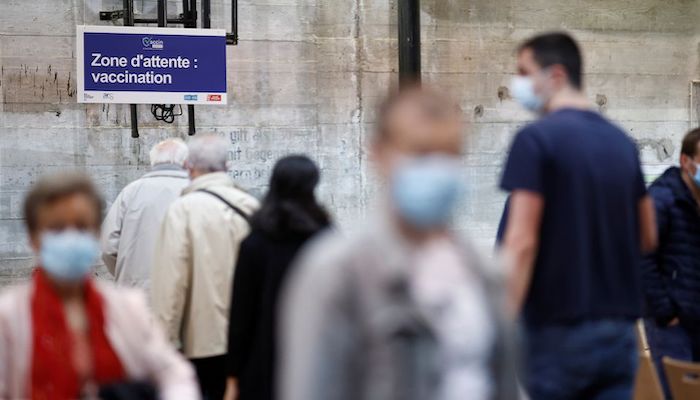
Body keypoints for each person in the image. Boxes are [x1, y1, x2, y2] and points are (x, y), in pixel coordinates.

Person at [279, 87, 519, 400]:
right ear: (379, 153)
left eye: (450, 153)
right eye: (421, 153)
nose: (437, 168)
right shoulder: (337, 272)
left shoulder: (484, 269)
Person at [499, 32, 657, 399]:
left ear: (555, 75)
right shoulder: (622, 142)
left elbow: (521, 241)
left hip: (559, 330)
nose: (517, 83)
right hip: (619, 332)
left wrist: (502, 319)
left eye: (524, 71)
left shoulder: (536, 140)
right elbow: (648, 235)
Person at [0, 173, 199, 400]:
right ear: (33, 238)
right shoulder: (9, 316)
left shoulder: (126, 308)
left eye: (82, 227)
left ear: (96, 233)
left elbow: (172, 373)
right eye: (56, 228)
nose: (71, 237)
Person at [151, 134, 259, 400]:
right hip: (250, 340)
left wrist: (163, 343)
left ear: (189, 167)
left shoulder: (182, 210)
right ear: (228, 166)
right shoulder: (253, 207)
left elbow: (172, 283)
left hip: (202, 341)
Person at [224, 155, 331, 400]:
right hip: (315, 358)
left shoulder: (255, 241)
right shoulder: (325, 238)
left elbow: (241, 314)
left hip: (262, 361)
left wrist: (233, 375)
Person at [642, 128, 700, 398]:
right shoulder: (661, 199)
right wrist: (665, 312)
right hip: (672, 325)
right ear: (686, 161)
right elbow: (641, 260)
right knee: (677, 392)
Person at [101, 138, 190, 289]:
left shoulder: (130, 192)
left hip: (136, 292)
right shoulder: (196, 190)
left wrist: (127, 272)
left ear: (153, 162)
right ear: (186, 162)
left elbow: (108, 246)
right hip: (185, 289)